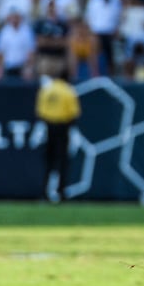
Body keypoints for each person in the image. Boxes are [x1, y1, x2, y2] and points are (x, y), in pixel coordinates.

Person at [36, 75, 81, 203]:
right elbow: (74, 113)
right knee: (62, 161)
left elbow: (40, 112)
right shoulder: (68, 90)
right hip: (63, 127)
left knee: (49, 161)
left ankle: (45, 192)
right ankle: (61, 192)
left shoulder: (47, 90)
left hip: (49, 127)